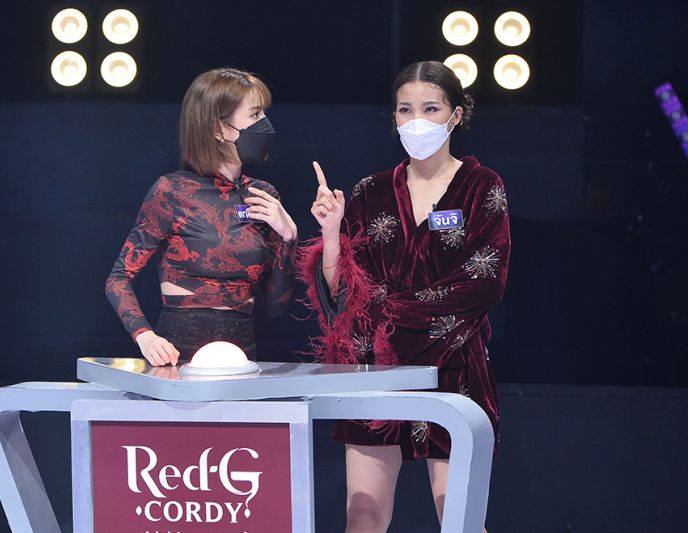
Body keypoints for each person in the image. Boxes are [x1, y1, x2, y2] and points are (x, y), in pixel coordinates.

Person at [300, 60, 509, 532]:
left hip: (453, 368)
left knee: (458, 517)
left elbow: (484, 282)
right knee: (363, 515)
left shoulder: (482, 187)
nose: (416, 120)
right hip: (375, 373)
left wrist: (390, 317)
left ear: (456, 115)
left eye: (430, 108)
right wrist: (331, 234)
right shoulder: (370, 191)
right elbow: (344, 295)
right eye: (405, 109)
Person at [105, 67, 297, 366]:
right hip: (178, 350)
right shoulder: (172, 191)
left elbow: (275, 305)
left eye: (264, 113)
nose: (265, 124)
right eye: (255, 114)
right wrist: (145, 336)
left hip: (240, 352)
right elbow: (118, 279)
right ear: (218, 129)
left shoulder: (263, 194)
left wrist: (288, 238)